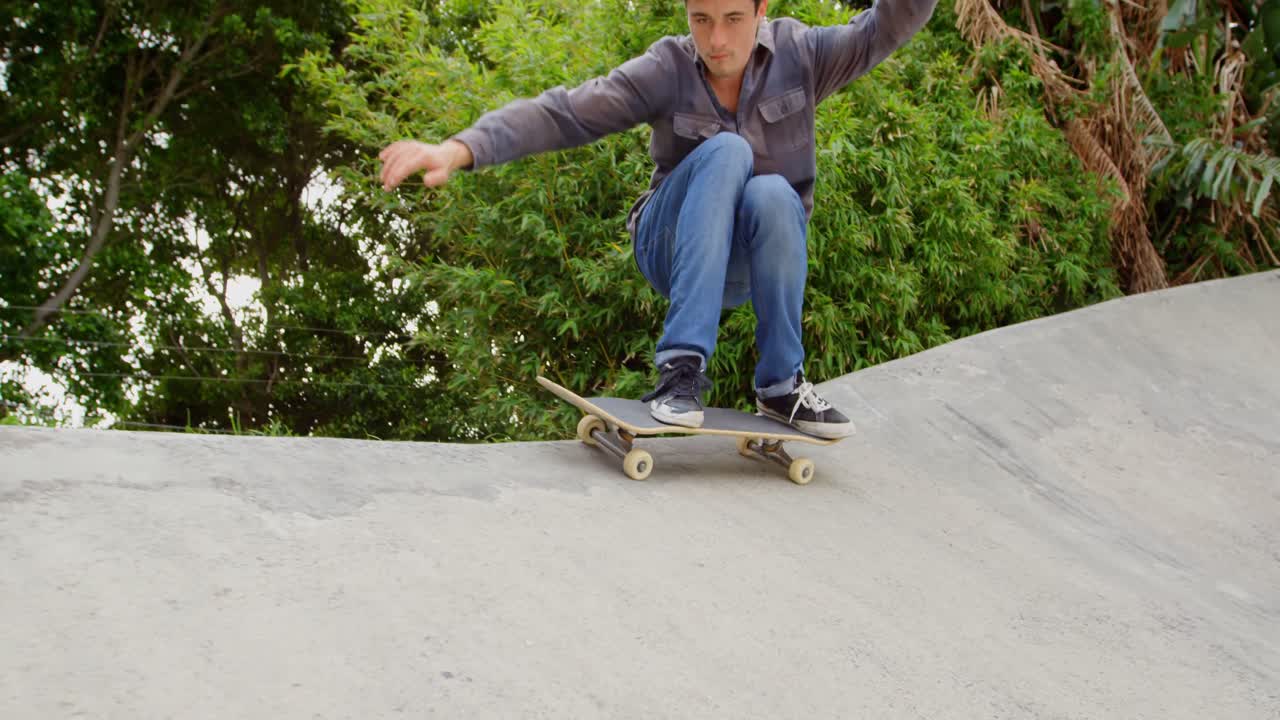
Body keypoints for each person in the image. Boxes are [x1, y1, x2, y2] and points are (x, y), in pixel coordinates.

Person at [379, 0, 939, 439]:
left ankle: (780, 384)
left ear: (762, 9)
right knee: (729, 152)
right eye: (701, 20)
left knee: (773, 193)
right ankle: (680, 371)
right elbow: (567, 112)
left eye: (733, 20)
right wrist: (461, 148)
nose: (716, 41)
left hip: (745, 266)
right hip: (668, 248)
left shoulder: (805, 54)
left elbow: (885, 27)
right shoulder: (666, 67)